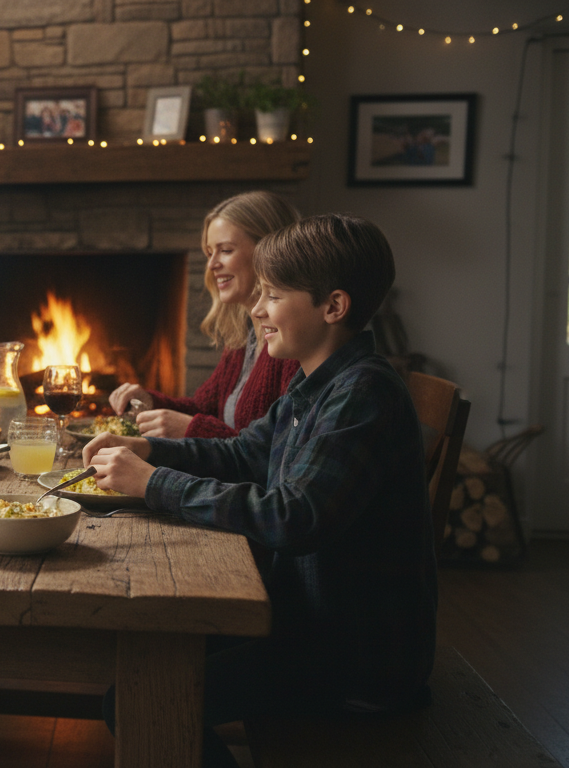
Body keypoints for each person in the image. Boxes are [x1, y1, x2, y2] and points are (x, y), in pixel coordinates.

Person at [85, 214, 436, 767]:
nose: (255, 309)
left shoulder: (362, 394)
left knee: (137, 698)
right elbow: (245, 453)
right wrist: (153, 452)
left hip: (353, 659)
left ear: (333, 307)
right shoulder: (313, 379)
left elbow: (295, 518)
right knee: (143, 655)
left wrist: (156, 485)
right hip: (307, 621)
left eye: (273, 295)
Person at [109, 191, 302, 439]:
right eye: (209, 252)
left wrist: (192, 430)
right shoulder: (244, 336)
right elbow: (203, 409)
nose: (211, 265)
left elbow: (275, 453)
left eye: (226, 250)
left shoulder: (293, 343)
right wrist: (148, 401)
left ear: (269, 250)